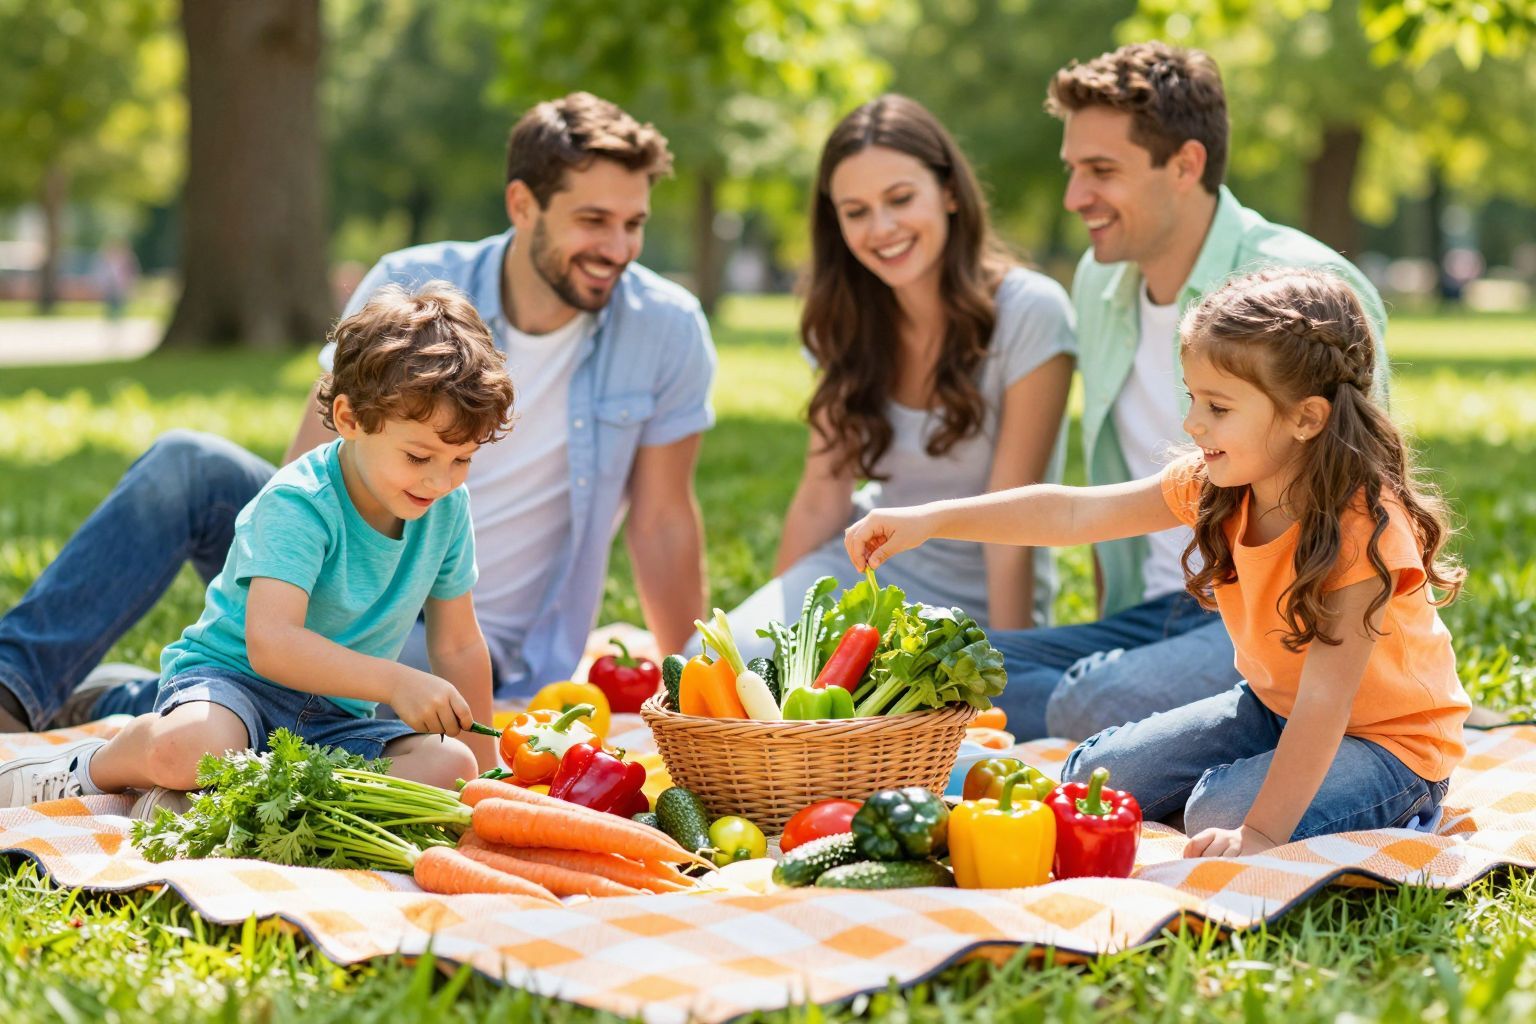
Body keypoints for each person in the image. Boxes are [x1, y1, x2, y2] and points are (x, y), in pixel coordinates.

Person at [0, 92, 714, 734]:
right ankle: (13, 690)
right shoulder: (409, 284)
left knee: (345, 697)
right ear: (523, 203)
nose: (617, 248)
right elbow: (308, 468)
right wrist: (294, 577)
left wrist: (697, 687)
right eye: (594, 220)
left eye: (634, 223)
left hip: (455, 627)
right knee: (187, 464)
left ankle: (122, 704)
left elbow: (662, 520)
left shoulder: (667, 327)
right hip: (340, 566)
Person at [846, 267, 1467, 857]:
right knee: (1094, 776)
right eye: (1194, 397)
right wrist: (931, 518)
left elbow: (1326, 704)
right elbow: (1072, 516)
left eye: (1219, 408)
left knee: (1220, 814)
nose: (1194, 423)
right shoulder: (1220, 484)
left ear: (1307, 418)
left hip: (1392, 745)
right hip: (1273, 709)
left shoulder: (1361, 524)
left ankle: (1397, 808)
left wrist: (1260, 835)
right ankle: (1251, 794)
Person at [987, 42, 1391, 740]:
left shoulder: (1303, 291)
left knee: (1087, 702)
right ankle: (1138, 719)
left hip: (1276, 612)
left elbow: (1363, 497)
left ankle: (1160, 720)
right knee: (979, 665)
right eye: (1073, 169)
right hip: (1155, 612)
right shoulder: (1098, 280)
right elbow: (1100, 492)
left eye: (1101, 171)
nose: (1074, 197)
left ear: (1186, 164)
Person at [0, 283, 517, 807]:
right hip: (234, 689)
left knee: (449, 766)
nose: (439, 480)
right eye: (418, 456)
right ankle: (94, 763)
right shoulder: (301, 501)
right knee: (191, 746)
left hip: (335, 721)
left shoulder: (447, 509)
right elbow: (273, 645)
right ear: (350, 419)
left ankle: (232, 792)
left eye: (461, 459)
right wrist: (395, 683)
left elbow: (456, 645)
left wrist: (488, 774)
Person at [718, 94, 1075, 661]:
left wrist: (1014, 669)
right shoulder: (841, 318)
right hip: (863, 572)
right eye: (856, 211)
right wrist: (782, 640)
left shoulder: (1031, 310)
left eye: (901, 199)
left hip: (972, 600)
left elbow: (1015, 523)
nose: (881, 228)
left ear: (950, 192)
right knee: (717, 662)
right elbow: (820, 498)